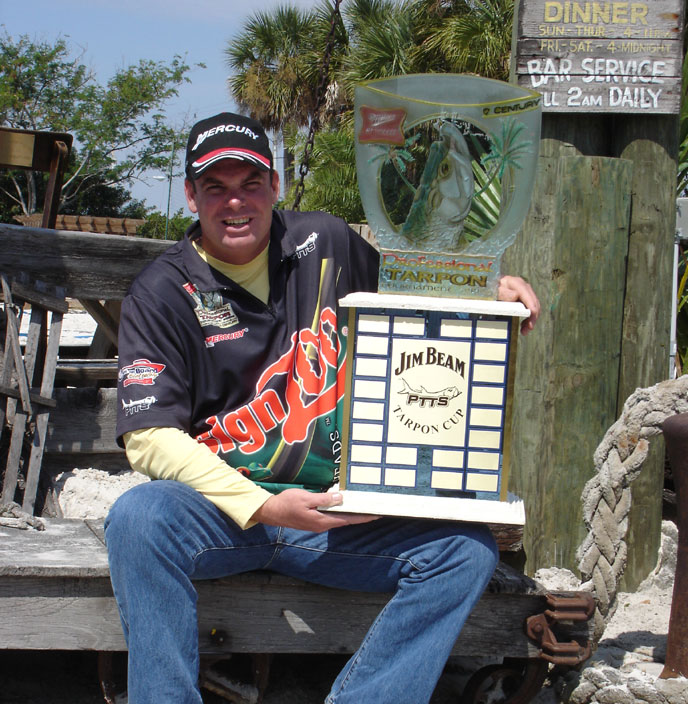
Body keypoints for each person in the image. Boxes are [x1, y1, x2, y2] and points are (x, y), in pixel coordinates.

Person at [104, 112, 541, 704]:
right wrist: (263, 506)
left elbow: (411, 292)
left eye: (250, 184)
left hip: (339, 519)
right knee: (138, 519)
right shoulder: (161, 291)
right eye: (216, 187)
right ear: (191, 195)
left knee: (465, 552)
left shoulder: (326, 242)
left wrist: (491, 294)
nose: (236, 202)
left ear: (276, 186)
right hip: (224, 515)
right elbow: (149, 436)